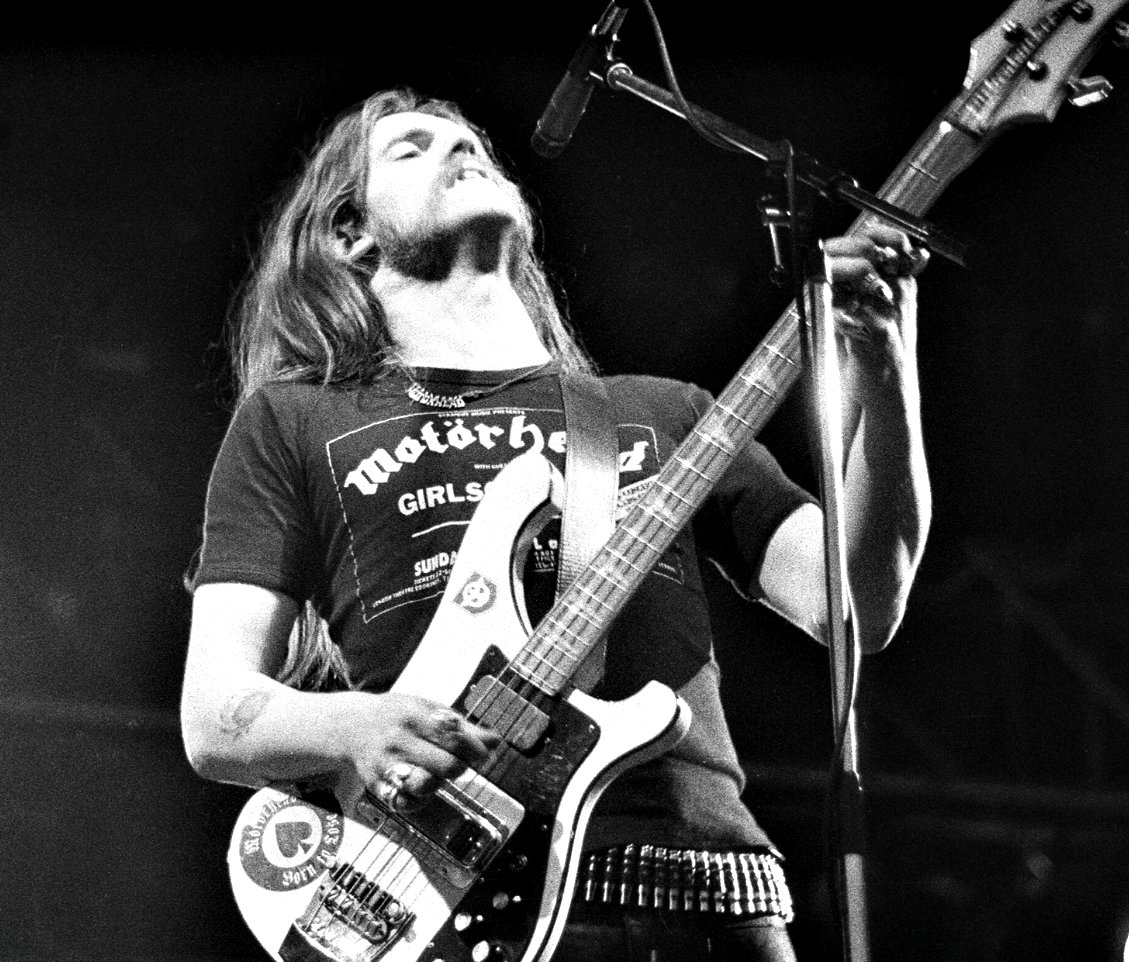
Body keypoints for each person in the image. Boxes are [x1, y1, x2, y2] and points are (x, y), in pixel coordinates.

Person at [180, 87, 930, 961]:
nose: (462, 148)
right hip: (454, 900)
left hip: (708, 897)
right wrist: (354, 726)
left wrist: (887, 369)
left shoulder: (668, 413)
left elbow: (853, 606)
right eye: (414, 147)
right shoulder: (295, 419)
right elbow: (215, 716)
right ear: (351, 232)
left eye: (472, 143)